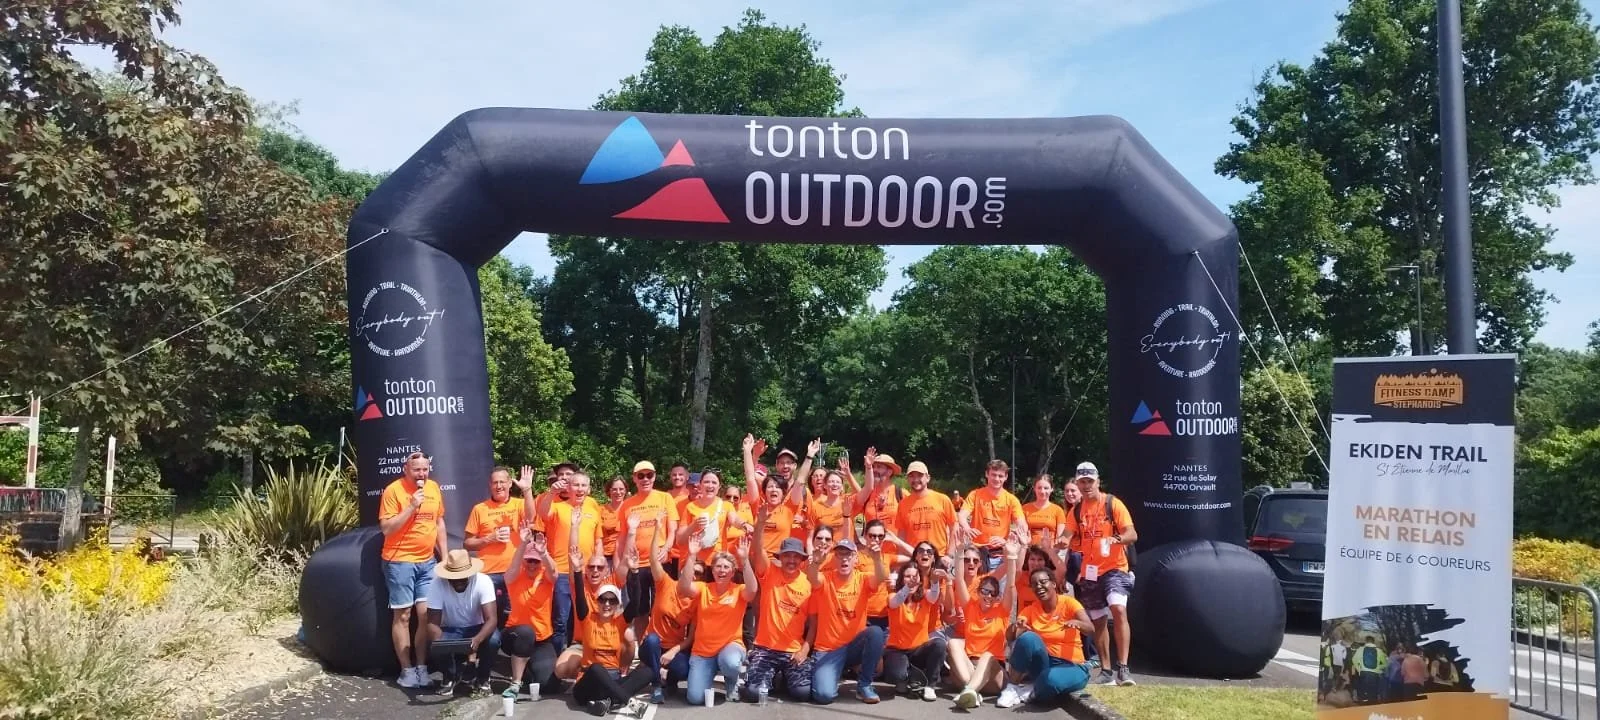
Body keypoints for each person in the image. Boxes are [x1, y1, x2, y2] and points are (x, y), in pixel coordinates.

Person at [1062, 460, 1138, 686]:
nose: (1086, 486)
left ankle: (1123, 668)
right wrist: (1056, 543)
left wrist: (1115, 539)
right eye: (1082, 481)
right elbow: (1066, 537)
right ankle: (1106, 670)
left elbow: (1132, 534)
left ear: (1097, 481)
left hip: (1115, 568)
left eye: (1089, 481)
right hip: (1090, 572)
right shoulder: (1076, 510)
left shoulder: (1112, 503)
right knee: (1098, 620)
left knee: (1118, 608)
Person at [378, 451, 449, 688]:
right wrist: (411, 507)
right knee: (403, 615)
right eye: (417, 469)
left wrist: (445, 556)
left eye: (425, 469)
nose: (422, 474)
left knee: (426, 614)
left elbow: (439, 522)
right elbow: (387, 529)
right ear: (405, 469)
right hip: (400, 561)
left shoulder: (434, 488)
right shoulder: (393, 491)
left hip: (427, 561)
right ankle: (406, 671)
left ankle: (422, 667)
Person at [792, 538, 888, 704]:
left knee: (876, 633)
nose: (844, 558)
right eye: (839, 554)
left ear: (855, 558)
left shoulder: (863, 579)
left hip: (853, 647)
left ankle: (864, 685)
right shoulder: (826, 578)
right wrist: (815, 562)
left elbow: (880, 577)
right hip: (828, 650)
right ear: (833, 559)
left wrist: (877, 558)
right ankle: (832, 673)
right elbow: (812, 578)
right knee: (823, 696)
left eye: (848, 555)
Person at [1000, 557, 1097, 708]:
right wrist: (1015, 626)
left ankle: (1033, 691)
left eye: (1043, 582)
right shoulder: (1031, 609)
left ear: (1053, 583)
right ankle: (1012, 688)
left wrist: (1077, 623)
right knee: (1027, 638)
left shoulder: (1069, 603)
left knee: (1050, 680)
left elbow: (1090, 628)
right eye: (1034, 584)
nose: (1039, 586)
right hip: (1045, 662)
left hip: (1072, 665)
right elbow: (1011, 637)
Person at [743, 503, 814, 702]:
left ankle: (781, 677)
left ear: (801, 560)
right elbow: (757, 550)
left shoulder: (808, 583)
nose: (791, 560)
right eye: (787, 556)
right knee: (755, 693)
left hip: (793, 650)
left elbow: (814, 622)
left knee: (802, 693)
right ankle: (769, 676)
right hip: (766, 648)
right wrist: (760, 524)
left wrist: (805, 650)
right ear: (780, 557)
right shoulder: (769, 573)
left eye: (796, 557)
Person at [679, 534, 757, 705]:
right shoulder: (703, 588)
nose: (722, 570)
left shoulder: (739, 590)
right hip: (703, 652)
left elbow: (752, 590)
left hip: (730, 648)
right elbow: (684, 588)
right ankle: (709, 673)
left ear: (733, 571)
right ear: (712, 570)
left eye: (726, 567)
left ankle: (731, 681)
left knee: (730, 662)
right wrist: (691, 555)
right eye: (718, 567)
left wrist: (745, 561)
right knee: (695, 698)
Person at [534, 467, 603, 651]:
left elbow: (598, 540)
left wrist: (601, 564)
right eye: (576, 485)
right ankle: (558, 662)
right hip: (562, 571)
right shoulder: (557, 507)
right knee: (561, 621)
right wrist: (551, 493)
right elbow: (542, 513)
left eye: (583, 485)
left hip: (587, 572)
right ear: (569, 488)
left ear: (588, 489)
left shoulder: (593, 506)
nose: (580, 489)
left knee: (586, 617)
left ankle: (583, 657)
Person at [463, 465, 535, 629]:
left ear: (510, 483)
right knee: (489, 621)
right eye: (495, 482)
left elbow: (531, 518)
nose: (499, 486)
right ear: (490, 485)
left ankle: (514, 651)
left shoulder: (519, 504)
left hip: (515, 571)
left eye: (502, 482)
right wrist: (489, 539)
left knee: (516, 618)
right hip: (488, 574)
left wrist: (527, 490)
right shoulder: (479, 509)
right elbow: (467, 544)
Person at [422, 549, 501, 694]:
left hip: (478, 627)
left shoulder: (483, 581)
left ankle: (483, 678)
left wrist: (477, 639)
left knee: (494, 640)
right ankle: (450, 676)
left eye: (463, 578)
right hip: (451, 629)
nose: (459, 582)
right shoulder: (436, 584)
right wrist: (440, 642)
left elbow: (492, 619)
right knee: (433, 639)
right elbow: (432, 622)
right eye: (454, 578)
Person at [569, 582, 652, 716]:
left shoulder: (620, 622)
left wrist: (635, 573)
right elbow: (579, 596)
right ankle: (629, 702)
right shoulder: (587, 619)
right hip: (587, 685)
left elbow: (635, 601)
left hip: (612, 681)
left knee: (647, 672)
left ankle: (605, 702)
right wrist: (578, 571)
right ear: (597, 602)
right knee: (597, 667)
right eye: (603, 599)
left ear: (617, 604)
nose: (607, 604)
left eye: (612, 601)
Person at [949, 540, 1014, 709]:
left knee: (988, 655)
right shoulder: (971, 606)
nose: (988, 596)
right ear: (978, 592)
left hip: (993, 673)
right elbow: (960, 580)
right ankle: (971, 690)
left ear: (997, 596)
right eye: (985, 591)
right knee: (954, 642)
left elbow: (1011, 585)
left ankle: (970, 689)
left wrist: (1012, 556)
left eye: (992, 593)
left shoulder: (1002, 610)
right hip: (969, 667)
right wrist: (959, 553)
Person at [616, 460, 677, 639]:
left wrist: (666, 547)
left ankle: (662, 642)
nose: (645, 479)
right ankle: (639, 646)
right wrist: (620, 563)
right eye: (641, 475)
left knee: (662, 606)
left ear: (655, 476)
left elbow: (672, 529)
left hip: (660, 561)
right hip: (637, 563)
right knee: (639, 607)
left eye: (649, 475)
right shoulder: (627, 504)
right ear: (634, 478)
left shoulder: (665, 498)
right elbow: (621, 538)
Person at [638, 521, 695, 703]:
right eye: (689, 571)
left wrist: (672, 652)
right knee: (653, 639)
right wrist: (657, 530)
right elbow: (653, 559)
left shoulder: (696, 600)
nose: (692, 575)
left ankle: (670, 682)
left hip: (673, 647)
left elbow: (690, 638)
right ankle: (656, 684)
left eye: (697, 573)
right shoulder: (666, 583)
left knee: (683, 669)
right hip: (651, 645)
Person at [501, 531, 560, 702]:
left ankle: (526, 670)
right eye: (529, 560)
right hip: (515, 635)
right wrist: (522, 544)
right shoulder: (514, 576)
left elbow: (554, 573)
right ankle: (515, 683)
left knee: (549, 685)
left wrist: (543, 553)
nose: (532, 565)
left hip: (541, 639)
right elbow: (513, 567)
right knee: (526, 633)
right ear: (524, 561)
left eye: (536, 561)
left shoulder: (545, 576)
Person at [883, 562, 948, 700]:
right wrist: (907, 588)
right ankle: (911, 678)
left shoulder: (925, 596)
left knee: (939, 644)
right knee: (897, 676)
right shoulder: (893, 596)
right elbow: (895, 602)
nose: (911, 579)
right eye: (907, 576)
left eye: (915, 576)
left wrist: (935, 581)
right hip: (897, 650)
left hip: (919, 650)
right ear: (901, 579)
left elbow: (934, 596)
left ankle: (930, 685)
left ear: (920, 580)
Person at [957, 460, 1028, 571]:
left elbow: (1022, 525)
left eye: (1000, 476)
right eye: (993, 475)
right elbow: (961, 515)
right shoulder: (975, 495)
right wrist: (967, 528)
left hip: (1000, 552)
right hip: (978, 550)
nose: (996, 479)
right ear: (987, 474)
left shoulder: (1011, 500)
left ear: (1006, 477)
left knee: (1001, 586)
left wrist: (1009, 540)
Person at [895, 461, 958, 555]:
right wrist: (901, 560)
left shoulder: (942, 499)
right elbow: (901, 534)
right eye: (912, 476)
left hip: (938, 557)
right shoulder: (903, 504)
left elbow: (954, 527)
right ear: (907, 479)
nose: (916, 479)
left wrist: (950, 555)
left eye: (920, 475)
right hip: (914, 557)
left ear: (928, 478)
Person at [1023, 474, 1066, 547]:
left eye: (1046, 488)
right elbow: (1021, 533)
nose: (1042, 491)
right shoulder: (1025, 508)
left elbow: (1060, 537)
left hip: (1050, 551)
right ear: (1034, 488)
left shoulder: (1058, 510)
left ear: (1052, 489)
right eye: (1039, 488)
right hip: (1030, 551)